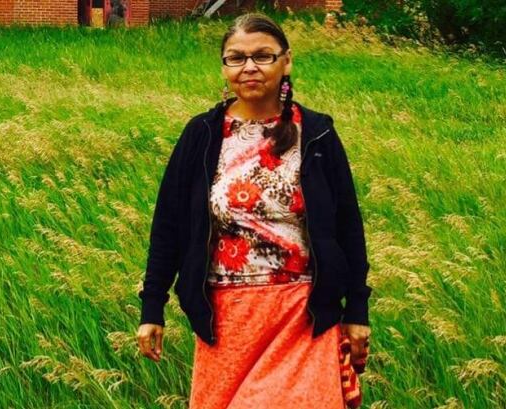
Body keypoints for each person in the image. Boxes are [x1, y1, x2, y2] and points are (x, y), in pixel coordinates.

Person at [136, 12, 372, 408]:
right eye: (236, 57)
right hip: (226, 319)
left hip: (302, 315)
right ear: (224, 66)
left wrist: (357, 310)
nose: (249, 67)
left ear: (286, 61)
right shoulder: (203, 134)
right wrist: (151, 308)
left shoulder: (316, 133)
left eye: (263, 56)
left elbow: (347, 226)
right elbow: (169, 227)